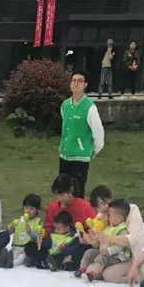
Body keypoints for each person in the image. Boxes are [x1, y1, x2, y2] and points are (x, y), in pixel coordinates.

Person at [30, 174, 96, 268]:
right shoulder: (52, 207)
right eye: (57, 195)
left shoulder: (85, 207)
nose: (59, 199)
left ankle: (58, 261)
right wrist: (42, 236)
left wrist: (86, 238)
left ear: (70, 191)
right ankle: (56, 261)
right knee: (31, 246)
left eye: (61, 195)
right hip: (56, 242)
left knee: (83, 251)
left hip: (74, 243)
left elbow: (93, 229)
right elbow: (48, 228)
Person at [58, 71, 104, 200]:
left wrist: (95, 149)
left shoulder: (89, 107)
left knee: (77, 191)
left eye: (80, 81)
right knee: (63, 190)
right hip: (64, 154)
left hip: (80, 157)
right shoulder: (65, 105)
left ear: (85, 85)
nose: (76, 84)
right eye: (73, 80)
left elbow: (98, 131)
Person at [75, 199, 131, 281]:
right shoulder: (109, 228)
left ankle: (93, 273)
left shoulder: (122, 230)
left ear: (119, 218)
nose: (107, 218)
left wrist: (109, 251)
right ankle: (81, 269)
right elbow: (100, 243)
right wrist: (93, 241)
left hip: (116, 257)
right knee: (89, 252)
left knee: (102, 257)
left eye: (109, 216)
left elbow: (120, 247)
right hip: (105, 252)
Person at [0, 193, 44, 269]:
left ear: (37, 210)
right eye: (26, 208)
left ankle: (11, 263)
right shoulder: (20, 219)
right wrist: (10, 228)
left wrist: (30, 231)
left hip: (26, 248)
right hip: (16, 246)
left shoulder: (39, 222)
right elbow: (11, 232)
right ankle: (3, 260)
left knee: (22, 258)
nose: (28, 211)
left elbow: (38, 238)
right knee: (13, 254)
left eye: (31, 209)